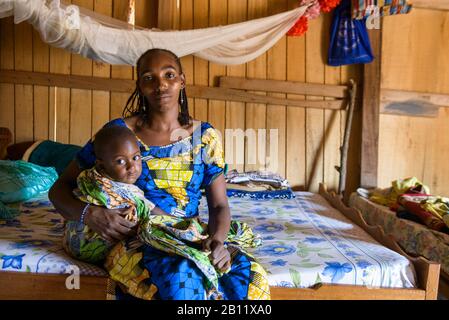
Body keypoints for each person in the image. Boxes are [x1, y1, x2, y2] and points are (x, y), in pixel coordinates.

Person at [49, 48, 270, 300]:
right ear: (140, 85)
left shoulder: (205, 137)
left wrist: (218, 242)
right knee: (179, 277)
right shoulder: (118, 134)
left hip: (187, 234)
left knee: (250, 275)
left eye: (169, 75)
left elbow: (219, 205)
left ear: (182, 81)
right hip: (135, 237)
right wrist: (90, 215)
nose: (160, 85)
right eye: (149, 78)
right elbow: (58, 189)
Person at [62, 125, 160, 264]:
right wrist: (177, 221)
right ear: (101, 166)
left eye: (136, 157)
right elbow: (150, 210)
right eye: (120, 161)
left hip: (70, 242)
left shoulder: (87, 176)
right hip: (91, 247)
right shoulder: (118, 190)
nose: (132, 167)